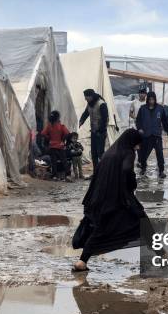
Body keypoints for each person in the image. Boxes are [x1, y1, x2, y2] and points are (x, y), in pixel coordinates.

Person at [71, 129, 150, 271]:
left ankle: (82, 261)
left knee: (99, 229)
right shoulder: (128, 152)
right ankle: (162, 255)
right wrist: (132, 183)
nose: (138, 147)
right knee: (143, 221)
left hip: (100, 198)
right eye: (137, 144)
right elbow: (126, 170)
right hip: (119, 197)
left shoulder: (109, 153)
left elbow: (98, 174)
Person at [136, 91, 168, 178]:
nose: (151, 101)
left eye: (153, 99)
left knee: (160, 154)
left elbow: (164, 121)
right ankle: (143, 169)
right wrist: (139, 129)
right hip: (146, 135)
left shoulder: (160, 109)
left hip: (156, 135)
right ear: (147, 100)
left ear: (155, 99)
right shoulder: (142, 109)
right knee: (143, 154)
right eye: (150, 99)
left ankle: (161, 171)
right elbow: (138, 120)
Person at [79, 88, 109, 169]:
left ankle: (103, 171)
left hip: (101, 132)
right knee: (94, 153)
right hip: (93, 131)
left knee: (100, 153)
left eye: (86, 97)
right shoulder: (89, 103)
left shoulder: (101, 104)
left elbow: (105, 119)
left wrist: (100, 130)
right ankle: (96, 172)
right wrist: (81, 120)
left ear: (91, 96)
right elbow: (86, 113)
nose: (85, 99)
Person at [41, 110, 70, 181]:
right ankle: (68, 174)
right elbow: (67, 133)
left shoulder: (49, 126)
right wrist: (63, 140)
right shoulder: (61, 126)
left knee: (54, 162)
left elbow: (43, 133)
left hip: (52, 146)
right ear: (58, 118)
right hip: (60, 146)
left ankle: (54, 175)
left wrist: (49, 138)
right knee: (64, 160)